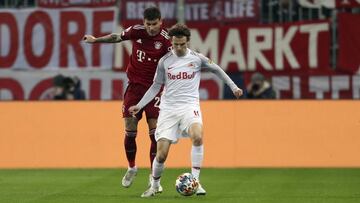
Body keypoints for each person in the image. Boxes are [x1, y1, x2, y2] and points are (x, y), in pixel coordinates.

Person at [128, 24, 243, 197]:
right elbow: (155, 86)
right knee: (161, 155)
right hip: (168, 109)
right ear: (171, 42)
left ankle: (196, 182)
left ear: (188, 42)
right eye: (176, 45)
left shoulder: (196, 58)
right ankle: (154, 185)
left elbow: (217, 70)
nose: (179, 48)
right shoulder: (164, 61)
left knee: (197, 136)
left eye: (182, 44)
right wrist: (140, 105)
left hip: (190, 106)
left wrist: (234, 88)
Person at [83, 7, 172, 190]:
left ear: (160, 21)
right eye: (148, 24)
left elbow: (176, 60)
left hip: (155, 90)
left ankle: (153, 177)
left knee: (155, 133)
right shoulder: (136, 30)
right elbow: (117, 37)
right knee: (130, 129)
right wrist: (95, 40)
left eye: (154, 24)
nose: (151, 28)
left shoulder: (166, 39)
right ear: (144, 22)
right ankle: (131, 167)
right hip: (134, 88)